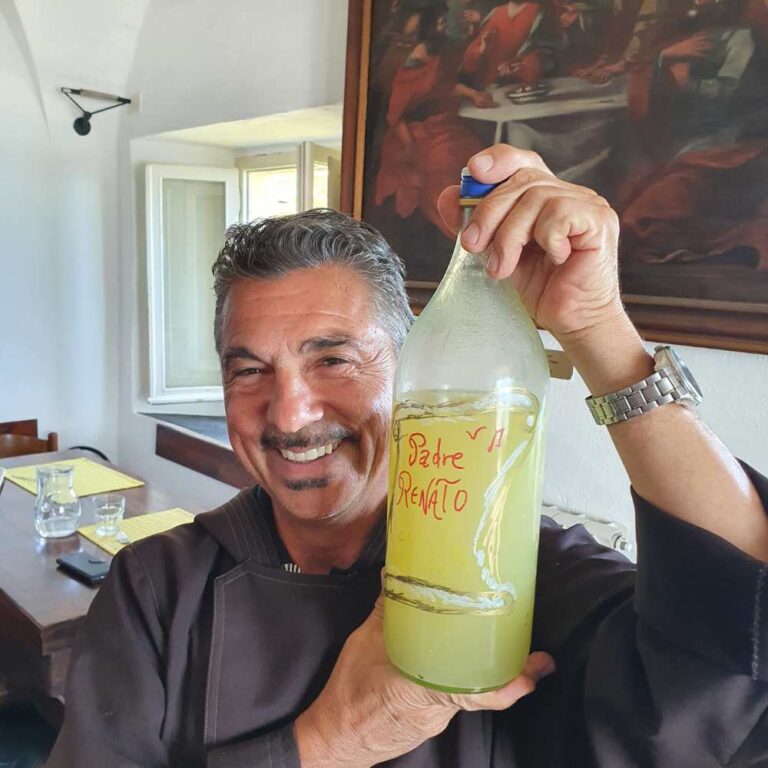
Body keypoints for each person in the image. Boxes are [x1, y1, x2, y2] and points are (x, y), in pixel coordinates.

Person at [47, 145, 768, 768]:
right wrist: (328, 742)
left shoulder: (519, 575)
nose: (290, 415)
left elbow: (735, 655)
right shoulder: (156, 589)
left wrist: (599, 330)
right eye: (250, 370)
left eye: (333, 359)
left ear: (409, 367)